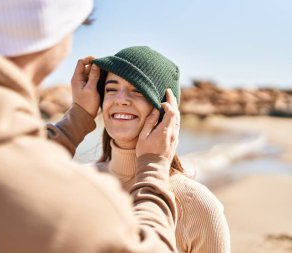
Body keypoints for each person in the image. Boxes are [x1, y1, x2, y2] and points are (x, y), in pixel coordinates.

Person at [0, 1, 180, 252]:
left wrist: (77, 119)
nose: (120, 99)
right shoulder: (78, 208)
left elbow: (6, 163)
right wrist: (153, 167)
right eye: (80, 22)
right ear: (59, 33)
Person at [84, 46, 229, 252]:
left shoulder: (195, 203)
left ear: (165, 110)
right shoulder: (80, 182)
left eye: (138, 90)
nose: (120, 99)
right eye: (111, 89)